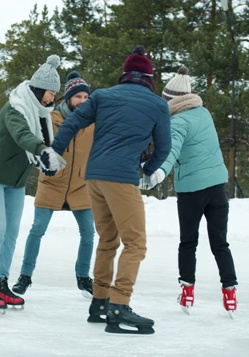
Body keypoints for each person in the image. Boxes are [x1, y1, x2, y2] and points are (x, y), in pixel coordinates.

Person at [50, 46, 171, 334]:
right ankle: (119, 305)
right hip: (121, 178)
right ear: (149, 78)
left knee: (108, 240)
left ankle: (100, 302)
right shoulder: (157, 105)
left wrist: (55, 150)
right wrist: (148, 168)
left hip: (94, 177)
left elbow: (71, 122)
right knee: (135, 244)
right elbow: (164, 147)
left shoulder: (103, 96)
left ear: (125, 75)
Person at [139, 66, 238, 318]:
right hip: (217, 189)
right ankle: (230, 293)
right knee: (220, 243)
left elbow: (170, 151)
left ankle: (188, 291)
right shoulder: (204, 113)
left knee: (188, 243)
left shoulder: (177, 121)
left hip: (192, 192)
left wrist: (157, 174)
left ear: (171, 100)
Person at [0, 55, 66, 313]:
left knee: (12, 233)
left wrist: (46, 162)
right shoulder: (16, 108)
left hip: (15, 181)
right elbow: (22, 135)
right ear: (39, 90)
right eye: (50, 93)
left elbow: (43, 141)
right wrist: (42, 150)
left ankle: (2, 282)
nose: (52, 99)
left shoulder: (40, 114)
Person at [12, 72, 95, 298]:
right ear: (68, 98)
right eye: (78, 97)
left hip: (81, 185)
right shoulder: (50, 119)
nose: (82, 102)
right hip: (52, 182)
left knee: (89, 233)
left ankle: (84, 277)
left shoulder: (93, 123)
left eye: (86, 98)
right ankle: (25, 276)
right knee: (37, 230)